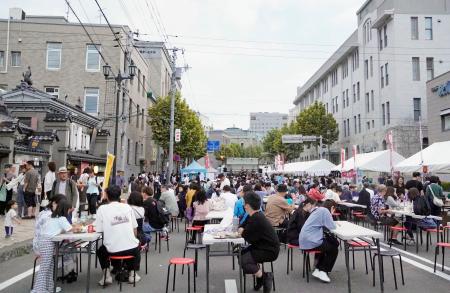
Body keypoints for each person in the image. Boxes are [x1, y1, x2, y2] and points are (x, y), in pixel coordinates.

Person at [31, 199, 80, 293]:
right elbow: (70, 229)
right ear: (65, 209)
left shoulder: (54, 216)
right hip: (47, 242)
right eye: (69, 209)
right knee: (45, 268)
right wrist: (80, 227)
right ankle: (39, 290)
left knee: (49, 266)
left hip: (44, 241)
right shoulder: (61, 218)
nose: (70, 211)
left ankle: (49, 288)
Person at [96, 186, 141, 285]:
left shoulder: (102, 209)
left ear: (107, 196)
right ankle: (132, 274)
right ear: (119, 195)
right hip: (131, 249)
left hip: (112, 251)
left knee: (101, 249)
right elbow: (135, 229)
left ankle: (106, 275)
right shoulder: (127, 207)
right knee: (135, 244)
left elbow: (98, 230)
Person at [238, 191, 279, 292]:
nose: (243, 205)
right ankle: (260, 277)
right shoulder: (255, 215)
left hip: (269, 250)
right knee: (241, 254)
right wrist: (243, 230)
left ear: (247, 205)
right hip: (263, 246)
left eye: (244, 203)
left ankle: (264, 277)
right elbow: (243, 227)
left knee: (244, 260)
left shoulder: (257, 219)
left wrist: (243, 231)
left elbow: (248, 237)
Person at [299, 199, 338, 283]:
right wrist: (331, 214)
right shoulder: (325, 211)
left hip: (305, 239)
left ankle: (318, 269)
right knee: (334, 249)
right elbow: (332, 227)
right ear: (332, 207)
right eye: (334, 209)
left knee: (329, 244)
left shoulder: (318, 210)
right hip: (311, 240)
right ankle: (323, 271)